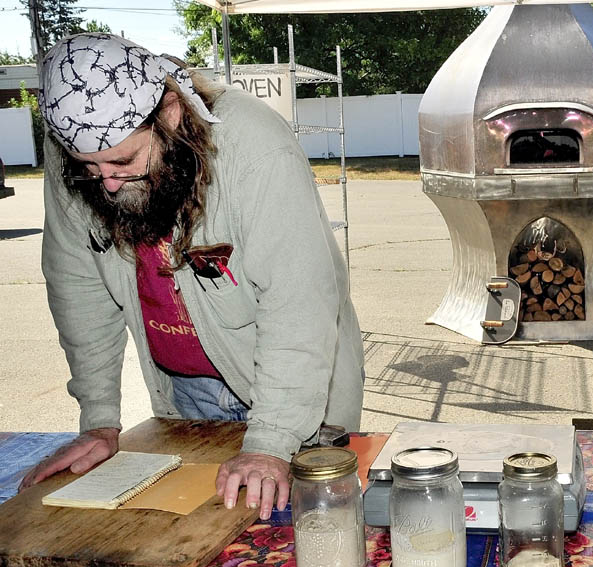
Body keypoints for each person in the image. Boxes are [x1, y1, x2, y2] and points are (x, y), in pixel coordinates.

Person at [19, 33, 365, 520]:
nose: (109, 183)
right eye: (89, 168)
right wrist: (99, 421)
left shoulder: (254, 144)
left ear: (170, 112)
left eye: (123, 161)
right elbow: (78, 289)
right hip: (188, 391)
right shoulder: (78, 157)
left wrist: (270, 443)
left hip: (296, 394)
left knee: (302, 538)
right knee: (208, 532)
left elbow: (299, 302)